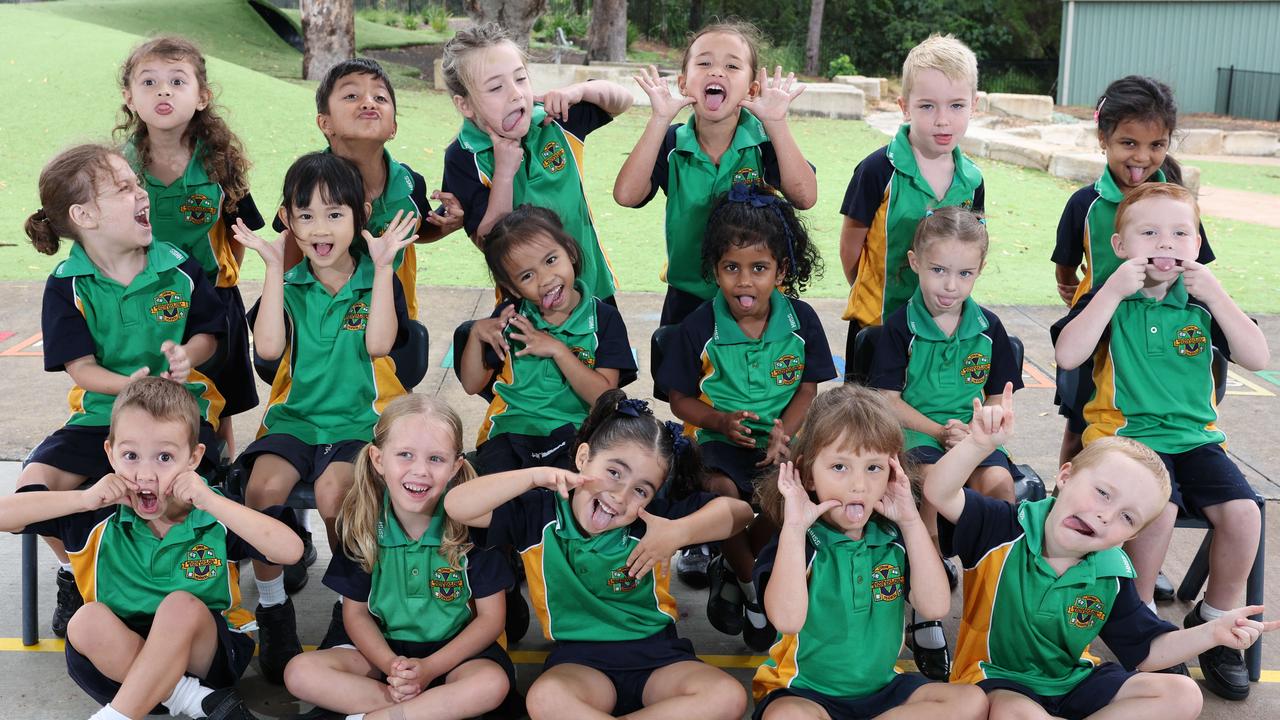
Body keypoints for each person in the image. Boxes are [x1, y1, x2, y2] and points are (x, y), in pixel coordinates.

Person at [926, 385, 1278, 718]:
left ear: (1134, 533)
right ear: (1065, 476)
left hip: (1071, 681)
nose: (1105, 515)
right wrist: (978, 446)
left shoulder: (1112, 571)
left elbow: (1145, 652)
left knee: (1184, 694)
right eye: (1103, 493)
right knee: (1012, 711)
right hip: (997, 680)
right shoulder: (1003, 526)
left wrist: (1212, 633)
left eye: (1127, 516)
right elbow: (939, 493)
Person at [1054, 182, 1269, 700]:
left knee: (1244, 513)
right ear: (1122, 245)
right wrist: (1109, 291)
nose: (1165, 243)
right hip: (1125, 438)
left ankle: (1216, 621)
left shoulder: (1201, 305)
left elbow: (1258, 357)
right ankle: (1145, 622)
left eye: (1180, 233)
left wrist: (1215, 293)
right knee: (1160, 511)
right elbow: (1067, 356)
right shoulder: (1111, 296)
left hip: (1194, 439)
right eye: (1149, 232)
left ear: (1197, 245)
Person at [0, 377, 303, 720]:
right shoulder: (96, 514)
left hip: (203, 658)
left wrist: (210, 501)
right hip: (118, 664)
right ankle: (191, 699)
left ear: (193, 457)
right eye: (130, 455)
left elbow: (289, 551)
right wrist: (81, 499)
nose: (145, 473)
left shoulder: (214, 513)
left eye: (164, 457)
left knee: (180, 608)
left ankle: (119, 715)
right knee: (85, 620)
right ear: (109, 454)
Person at [21, 144, 227, 640]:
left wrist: (187, 357)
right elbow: (82, 369)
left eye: (138, 183)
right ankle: (77, 568)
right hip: (102, 419)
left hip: (181, 420)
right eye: (124, 188)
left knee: (188, 498)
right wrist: (129, 386)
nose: (142, 193)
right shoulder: (67, 284)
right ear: (84, 215)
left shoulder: (178, 265)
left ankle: (177, 599)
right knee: (36, 491)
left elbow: (208, 333)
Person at [445, 391, 754, 720]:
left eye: (641, 490)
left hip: (659, 656)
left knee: (728, 696)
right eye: (615, 472)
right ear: (582, 458)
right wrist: (534, 476)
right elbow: (457, 506)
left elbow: (741, 514)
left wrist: (681, 532)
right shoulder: (539, 514)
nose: (620, 497)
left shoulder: (655, 521)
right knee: (546, 699)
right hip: (579, 662)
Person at [231, 151, 418, 684]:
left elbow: (382, 344)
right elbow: (266, 348)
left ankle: (349, 607)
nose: (320, 228)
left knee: (340, 495)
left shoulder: (375, 278)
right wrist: (271, 269)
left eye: (335, 214)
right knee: (262, 490)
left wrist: (384, 269)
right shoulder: (287, 285)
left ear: (359, 215)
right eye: (305, 215)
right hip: (295, 421)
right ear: (287, 220)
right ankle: (273, 607)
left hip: (359, 424)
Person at [655, 183, 833, 650]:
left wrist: (784, 434)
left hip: (780, 444)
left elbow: (809, 387)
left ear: (782, 270)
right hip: (714, 445)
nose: (744, 282)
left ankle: (735, 569)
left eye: (759, 268)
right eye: (731, 268)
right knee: (722, 495)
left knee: (791, 492)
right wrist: (718, 421)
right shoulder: (698, 327)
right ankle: (754, 585)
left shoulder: (802, 321)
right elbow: (678, 400)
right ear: (715, 270)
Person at [751, 384, 988, 720]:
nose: (858, 485)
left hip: (884, 690)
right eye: (840, 467)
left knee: (972, 701)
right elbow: (788, 620)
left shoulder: (893, 539)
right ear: (809, 475)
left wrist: (910, 521)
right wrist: (793, 527)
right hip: (804, 692)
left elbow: (935, 605)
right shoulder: (797, 542)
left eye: (873, 468)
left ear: (893, 473)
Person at [283, 395, 515, 720]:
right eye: (405, 455)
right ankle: (430, 711)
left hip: (454, 654)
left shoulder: (473, 526)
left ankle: (376, 716)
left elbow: (491, 620)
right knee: (299, 672)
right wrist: (392, 667)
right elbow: (356, 615)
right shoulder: (363, 524)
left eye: (436, 458)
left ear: (455, 467)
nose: (419, 470)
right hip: (382, 653)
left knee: (490, 683)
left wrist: (430, 668)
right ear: (378, 460)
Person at [867, 205, 1023, 677]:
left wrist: (984, 428)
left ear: (978, 273)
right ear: (915, 262)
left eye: (964, 273)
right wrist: (939, 431)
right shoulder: (897, 329)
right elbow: (886, 401)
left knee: (999, 486)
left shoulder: (989, 328)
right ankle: (927, 612)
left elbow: (1001, 399)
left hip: (972, 437)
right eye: (938, 270)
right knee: (931, 486)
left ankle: (989, 601)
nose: (950, 285)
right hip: (917, 436)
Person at [1050, 75, 1214, 469]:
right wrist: (1085, 301)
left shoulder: (1177, 203)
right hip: (1099, 330)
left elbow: (1196, 265)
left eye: (1155, 145)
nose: (1142, 157)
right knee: (1080, 422)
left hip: (1156, 334)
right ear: (1103, 138)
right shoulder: (1084, 204)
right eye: (1129, 143)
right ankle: (1065, 494)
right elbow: (1065, 268)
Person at [115, 35, 265, 459]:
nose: (163, 91)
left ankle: (225, 481)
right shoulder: (118, 168)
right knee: (148, 402)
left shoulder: (220, 162)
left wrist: (217, 284)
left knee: (220, 405)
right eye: (149, 82)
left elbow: (239, 233)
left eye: (178, 81)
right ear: (129, 98)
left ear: (202, 97)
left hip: (211, 304)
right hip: (146, 302)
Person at [612, 20, 817, 325]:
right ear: (683, 83)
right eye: (704, 62)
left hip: (754, 299)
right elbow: (626, 195)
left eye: (732, 66)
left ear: (752, 89)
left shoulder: (763, 142)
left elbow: (805, 196)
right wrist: (659, 119)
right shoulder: (671, 143)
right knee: (678, 370)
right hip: (686, 297)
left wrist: (776, 123)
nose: (717, 72)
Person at [440, 22, 632, 302]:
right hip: (524, 304)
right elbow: (490, 241)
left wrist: (579, 91)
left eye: (520, 79)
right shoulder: (462, 157)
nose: (516, 94)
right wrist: (504, 173)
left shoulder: (554, 121)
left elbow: (622, 100)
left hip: (592, 290)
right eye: (496, 88)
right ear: (465, 105)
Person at [838, 34, 984, 376]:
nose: (943, 120)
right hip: (877, 323)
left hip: (938, 330)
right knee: (867, 423)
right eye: (927, 106)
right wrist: (872, 294)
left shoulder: (973, 181)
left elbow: (969, 251)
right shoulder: (877, 170)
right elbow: (850, 249)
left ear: (974, 105)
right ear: (905, 107)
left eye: (957, 105)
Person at [278, 57, 465, 319]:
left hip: (393, 319)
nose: (368, 102)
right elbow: (289, 256)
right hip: (321, 323)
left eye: (380, 97)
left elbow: (416, 229)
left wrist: (443, 225)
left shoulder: (409, 183)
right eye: (352, 95)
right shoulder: (307, 183)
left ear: (393, 128)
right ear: (325, 123)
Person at [458, 205, 636, 475]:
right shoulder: (510, 317)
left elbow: (604, 397)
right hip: (508, 430)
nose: (546, 279)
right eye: (527, 276)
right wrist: (475, 335)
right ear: (512, 288)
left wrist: (557, 350)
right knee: (498, 501)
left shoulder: (604, 319)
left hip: (576, 433)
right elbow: (472, 384)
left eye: (551, 260)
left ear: (571, 251)